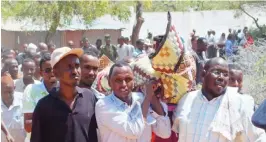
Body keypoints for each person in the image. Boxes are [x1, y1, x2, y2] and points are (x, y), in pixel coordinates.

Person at [172, 57, 266, 141]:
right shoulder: (187, 100)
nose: (221, 77)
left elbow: (259, 137)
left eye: (225, 74)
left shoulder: (239, 104)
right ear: (203, 75)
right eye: (217, 72)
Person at [31, 47, 98, 142]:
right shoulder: (44, 106)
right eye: (69, 67)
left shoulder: (89, 97)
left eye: (77, 66)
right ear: (56, 73)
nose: (75, 71)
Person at [95, 62, 171, 142]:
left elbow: (165, 133)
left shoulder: (141, 98)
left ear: (134, 81)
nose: (124, 84)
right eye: (118, 80)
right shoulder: (104, 105)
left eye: (128, 79)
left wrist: (151, 95)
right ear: (109, 83)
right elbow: (134, 131)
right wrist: (148, 97)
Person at [23, 52, 57, 133]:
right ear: (41, 73)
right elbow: (28, 126)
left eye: (55, 69)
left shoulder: (65, 90)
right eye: (48, 70)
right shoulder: (31, 90)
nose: (52, 73)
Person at [1, 74, 26, 142]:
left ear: (14, 88)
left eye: (10, 92)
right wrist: (7, 134)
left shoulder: (23, 99)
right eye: (4, 92)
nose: (7, 95)